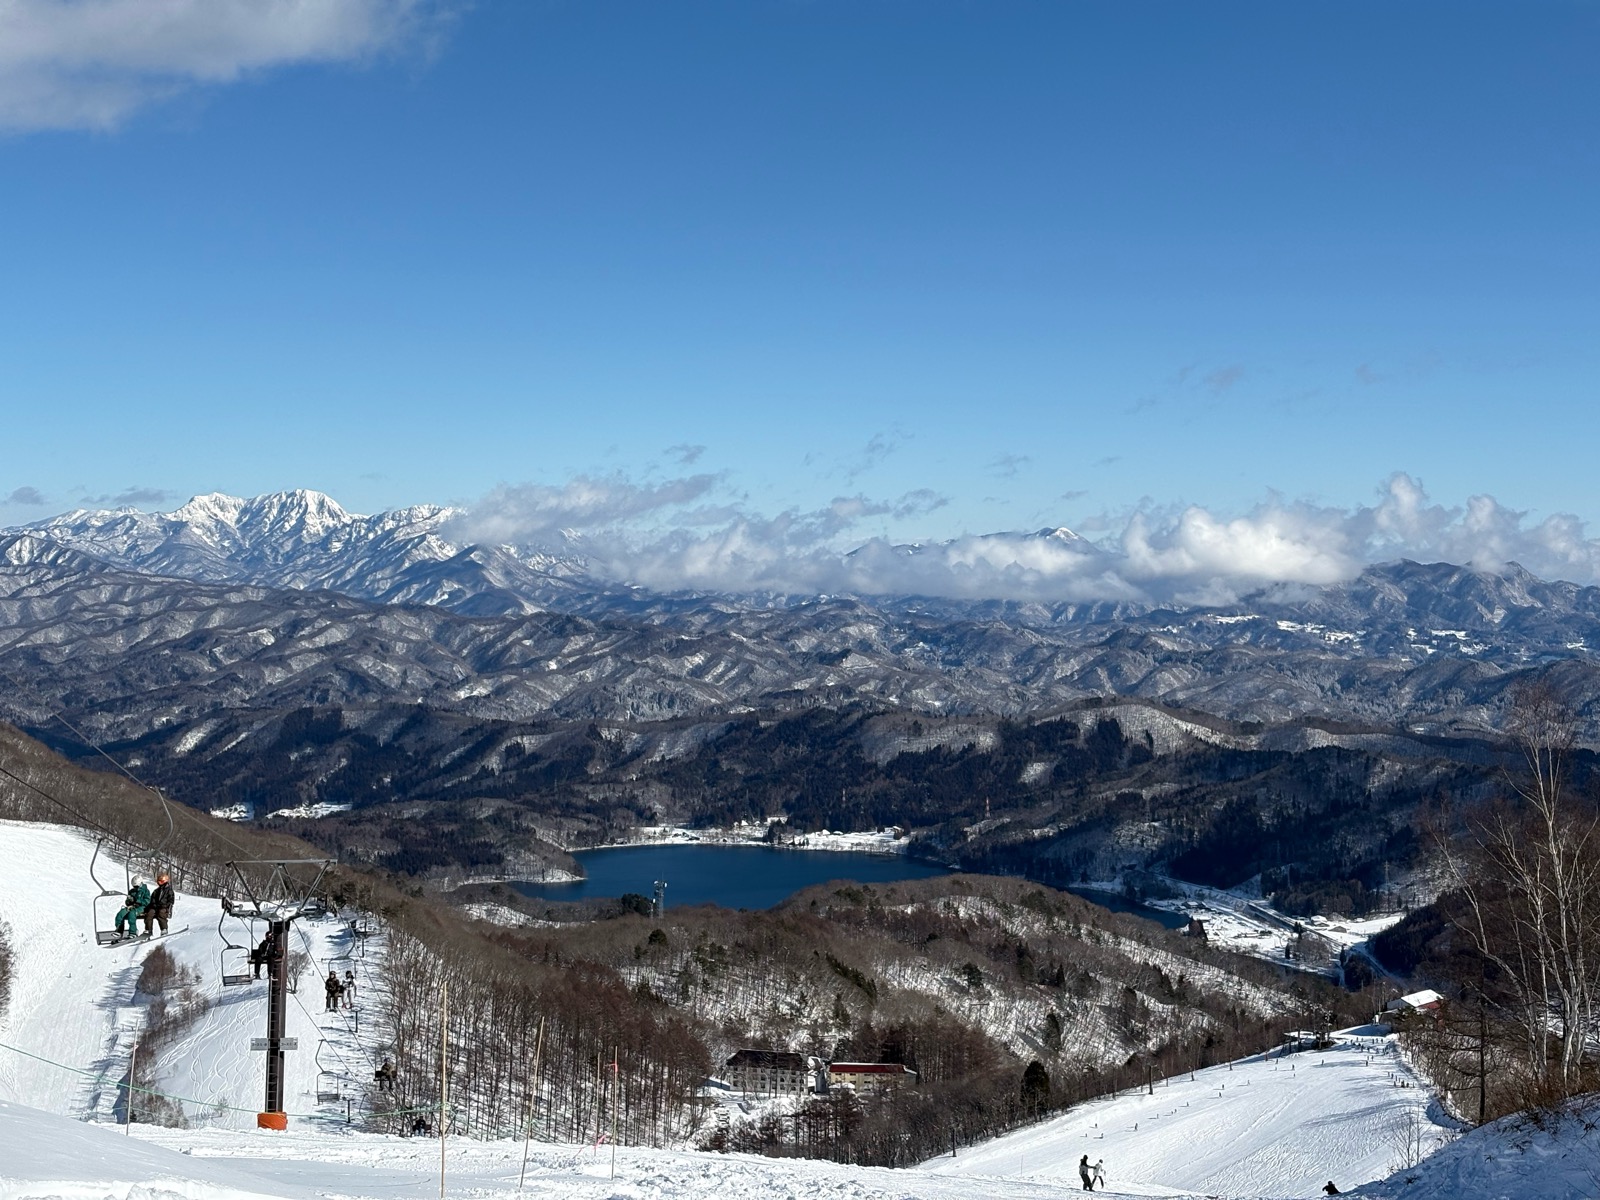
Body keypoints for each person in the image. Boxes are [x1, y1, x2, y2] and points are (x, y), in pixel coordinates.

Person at [143, 872, 175, 936]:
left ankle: (164, 929)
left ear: (164, 881)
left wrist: (166, 906)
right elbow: (153, 899)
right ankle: (148, 930)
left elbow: (171, 900)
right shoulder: (156, 891)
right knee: (150, 913)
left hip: (164, 907)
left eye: (160, 882)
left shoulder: (169, 890)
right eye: (158, 882)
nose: (159, 883)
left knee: (161, 913)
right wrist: (153, 904)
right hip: (156, 907)